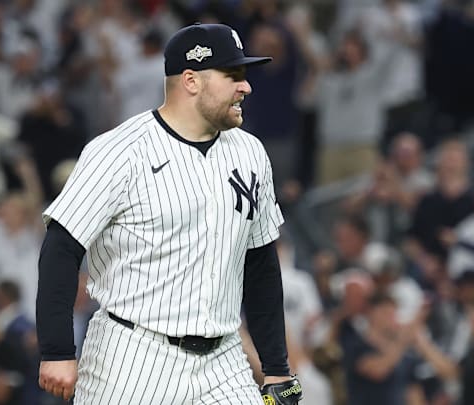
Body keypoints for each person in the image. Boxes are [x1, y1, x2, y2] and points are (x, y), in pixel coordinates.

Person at [37, 23, 297, 404]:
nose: (246, 87)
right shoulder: (119, 151)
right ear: (191, 81)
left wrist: (276, 367)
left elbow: (260, 264)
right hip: (130, 356)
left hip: (223, 359)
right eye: (233, 76)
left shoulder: (250, 152)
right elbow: (60, 249)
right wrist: (57, 350)